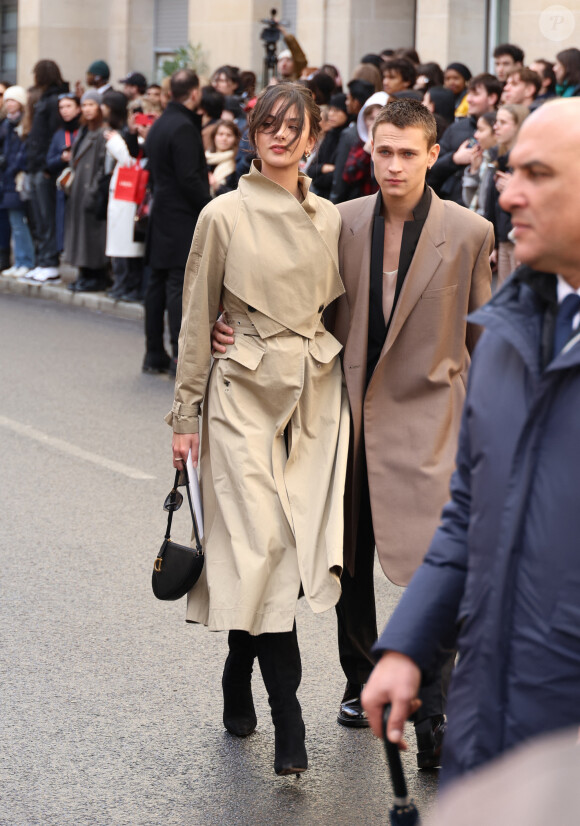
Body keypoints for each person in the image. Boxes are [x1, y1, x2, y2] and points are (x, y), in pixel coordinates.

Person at [212, 98, 493, 769]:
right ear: (371, 149)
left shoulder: (473, 230)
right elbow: (296, 308)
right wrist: (234, 329)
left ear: (433, 154)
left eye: (408, 152)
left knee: (441, 566)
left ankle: (431, 701)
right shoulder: (339, 222)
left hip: (432, 428)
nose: (393, 164)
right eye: (384, 150)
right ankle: (360, 677)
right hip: (342, 420)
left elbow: (486, 338)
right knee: (350, 559)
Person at [362, 97, 580, 788]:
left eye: (537, 174)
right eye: (510, 170)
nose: (509, 193)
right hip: (485, 721)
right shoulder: (509, 337)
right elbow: (468, 514)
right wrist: (406, 647)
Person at [167, 82, 348, 777]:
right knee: (265, 541)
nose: (279, 135)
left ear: (313, 138)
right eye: (267, 124)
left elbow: (340, 314)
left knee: (288, 552)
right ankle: (289, 718)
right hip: (239, 391)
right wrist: (185, 415)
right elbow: (194, 318)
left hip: (312, 394)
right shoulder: (223, 215)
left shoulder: (331, 217)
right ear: (252, 134)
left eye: (293, 126)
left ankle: (238, 665)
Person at [143, 69, 210, 375]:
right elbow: (189, 178)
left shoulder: (160, 123)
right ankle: (176, 358)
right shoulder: (183, 126)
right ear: (194, 93)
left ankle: (154, 353)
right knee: (175, 286)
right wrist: (210, 208)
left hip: (161, 212)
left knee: (157, 283)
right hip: (180, 216)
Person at [26, 59, 69, 283]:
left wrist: (45, 165)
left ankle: (50, 262)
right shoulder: (45, 98)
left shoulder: (53, 100)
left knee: (46, 216)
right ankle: (42, 260)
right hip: (36, 164)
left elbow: (53, 135)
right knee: (38, 218)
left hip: (44, 167)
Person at [429, 73, 501, 204]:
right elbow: (430, 167)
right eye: (469, 94)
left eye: (476, 94)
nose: (469, 99)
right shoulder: (456, 129)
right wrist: (454, 159)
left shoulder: (504, 128)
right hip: (449, 203)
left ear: (492, 98)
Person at [102, 90, 145, 302]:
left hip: (135, 197)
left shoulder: (144, 138)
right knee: (120, 243)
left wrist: (117, 142)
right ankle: (121, 284)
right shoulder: (126, 133)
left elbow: (131, 158)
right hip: (123, 193)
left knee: (131, 245)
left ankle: (130, 286)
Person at [64, 90, 108, 293]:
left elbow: (102, 166)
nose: (88, 109)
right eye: (85, 104)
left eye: (92, 104)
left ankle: (95, 275)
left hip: (91, 189)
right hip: (79, 189)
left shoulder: (103, 132)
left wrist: (94, 189)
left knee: (92, 235)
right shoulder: (83, 130)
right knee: (81, 233)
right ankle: (84, 273)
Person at [485, 104, 529, 286]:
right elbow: (491, 203)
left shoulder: (526, 160)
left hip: (519, 238)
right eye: (496, 122)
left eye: (503, 122)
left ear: (519, 126)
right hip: (503, 239)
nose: (496, 127)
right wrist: (493, 243)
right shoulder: (499, 157)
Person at [0, 86, 35, 278]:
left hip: (18, 178)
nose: (9, 104)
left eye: (12, 100)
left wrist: (13, 166)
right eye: (7, 101)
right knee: (14, 223)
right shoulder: (7, 125)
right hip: (7, 178)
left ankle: (26, 260)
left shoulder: (25, 124)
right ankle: (20, 260)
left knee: (20, 222)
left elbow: (22, 153)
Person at [45, 93, 81, 255]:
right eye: (61, 107)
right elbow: (49, 162)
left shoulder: (84, 131)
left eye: (69, 106)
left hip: (82, 186)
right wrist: (62, 157)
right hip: (64, 186)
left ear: (78, 108)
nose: (64, 111)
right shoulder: (59, 134)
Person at [308, 93, 350, 199]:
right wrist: (323, 167)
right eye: (330, 109)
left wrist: (319, 172)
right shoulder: (330, 136)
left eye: (336, 110)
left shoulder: (348, 138)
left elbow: (338, 176)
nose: (331, 114)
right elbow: (311, 170)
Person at [461, 111, 497, 213]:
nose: (476, 135)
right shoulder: (485, 158)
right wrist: (474, 171)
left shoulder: (498, 163)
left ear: (496, 132)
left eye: (481, 130)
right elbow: (470, 202)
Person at [205, 119, 240, 197]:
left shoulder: (237, 164)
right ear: (214, 136)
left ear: (235, 139)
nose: (224, 138)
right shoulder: (204, 159)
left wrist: (217, 186)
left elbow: (237, 196)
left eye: (229, 135)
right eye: (220, 134)